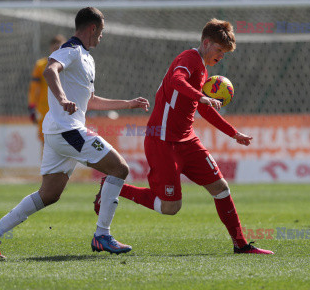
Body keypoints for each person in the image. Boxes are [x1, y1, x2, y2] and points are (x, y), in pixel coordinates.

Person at [0, 7, 150, 258]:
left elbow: (90, 101)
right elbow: (50, 70)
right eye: (101, 32)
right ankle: (102, 235)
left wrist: (128, 103)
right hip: (68, 130)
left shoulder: (87, 58)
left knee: (49, 194)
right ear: (92, 29)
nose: (101, 37)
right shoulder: (71, 49)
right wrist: (62, 98)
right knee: (120, 168)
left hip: (57, 132)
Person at [94, 18, 273, 255]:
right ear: (206, 43)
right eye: (219, 50)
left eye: (225, 53)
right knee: (170, 207)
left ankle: (240, 244)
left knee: (221, 188)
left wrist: (234, 133)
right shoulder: (189, 59)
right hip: (163, 141)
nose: (221, 56)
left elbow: (204, 109)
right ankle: (114, 186)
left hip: (187, 141)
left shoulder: (203, 70)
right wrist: (200, 96)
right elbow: (177, 80)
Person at [28, 34, 67, 143]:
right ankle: (46, 160)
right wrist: (32, 106)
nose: (57, 50)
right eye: (55, 48)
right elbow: (33, 88)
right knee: (45, 140)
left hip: (64, 108)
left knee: (65, 140)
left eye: (60, 48)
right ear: (50, 48)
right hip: (45, 108)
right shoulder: (41, 65)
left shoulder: (70, 65)